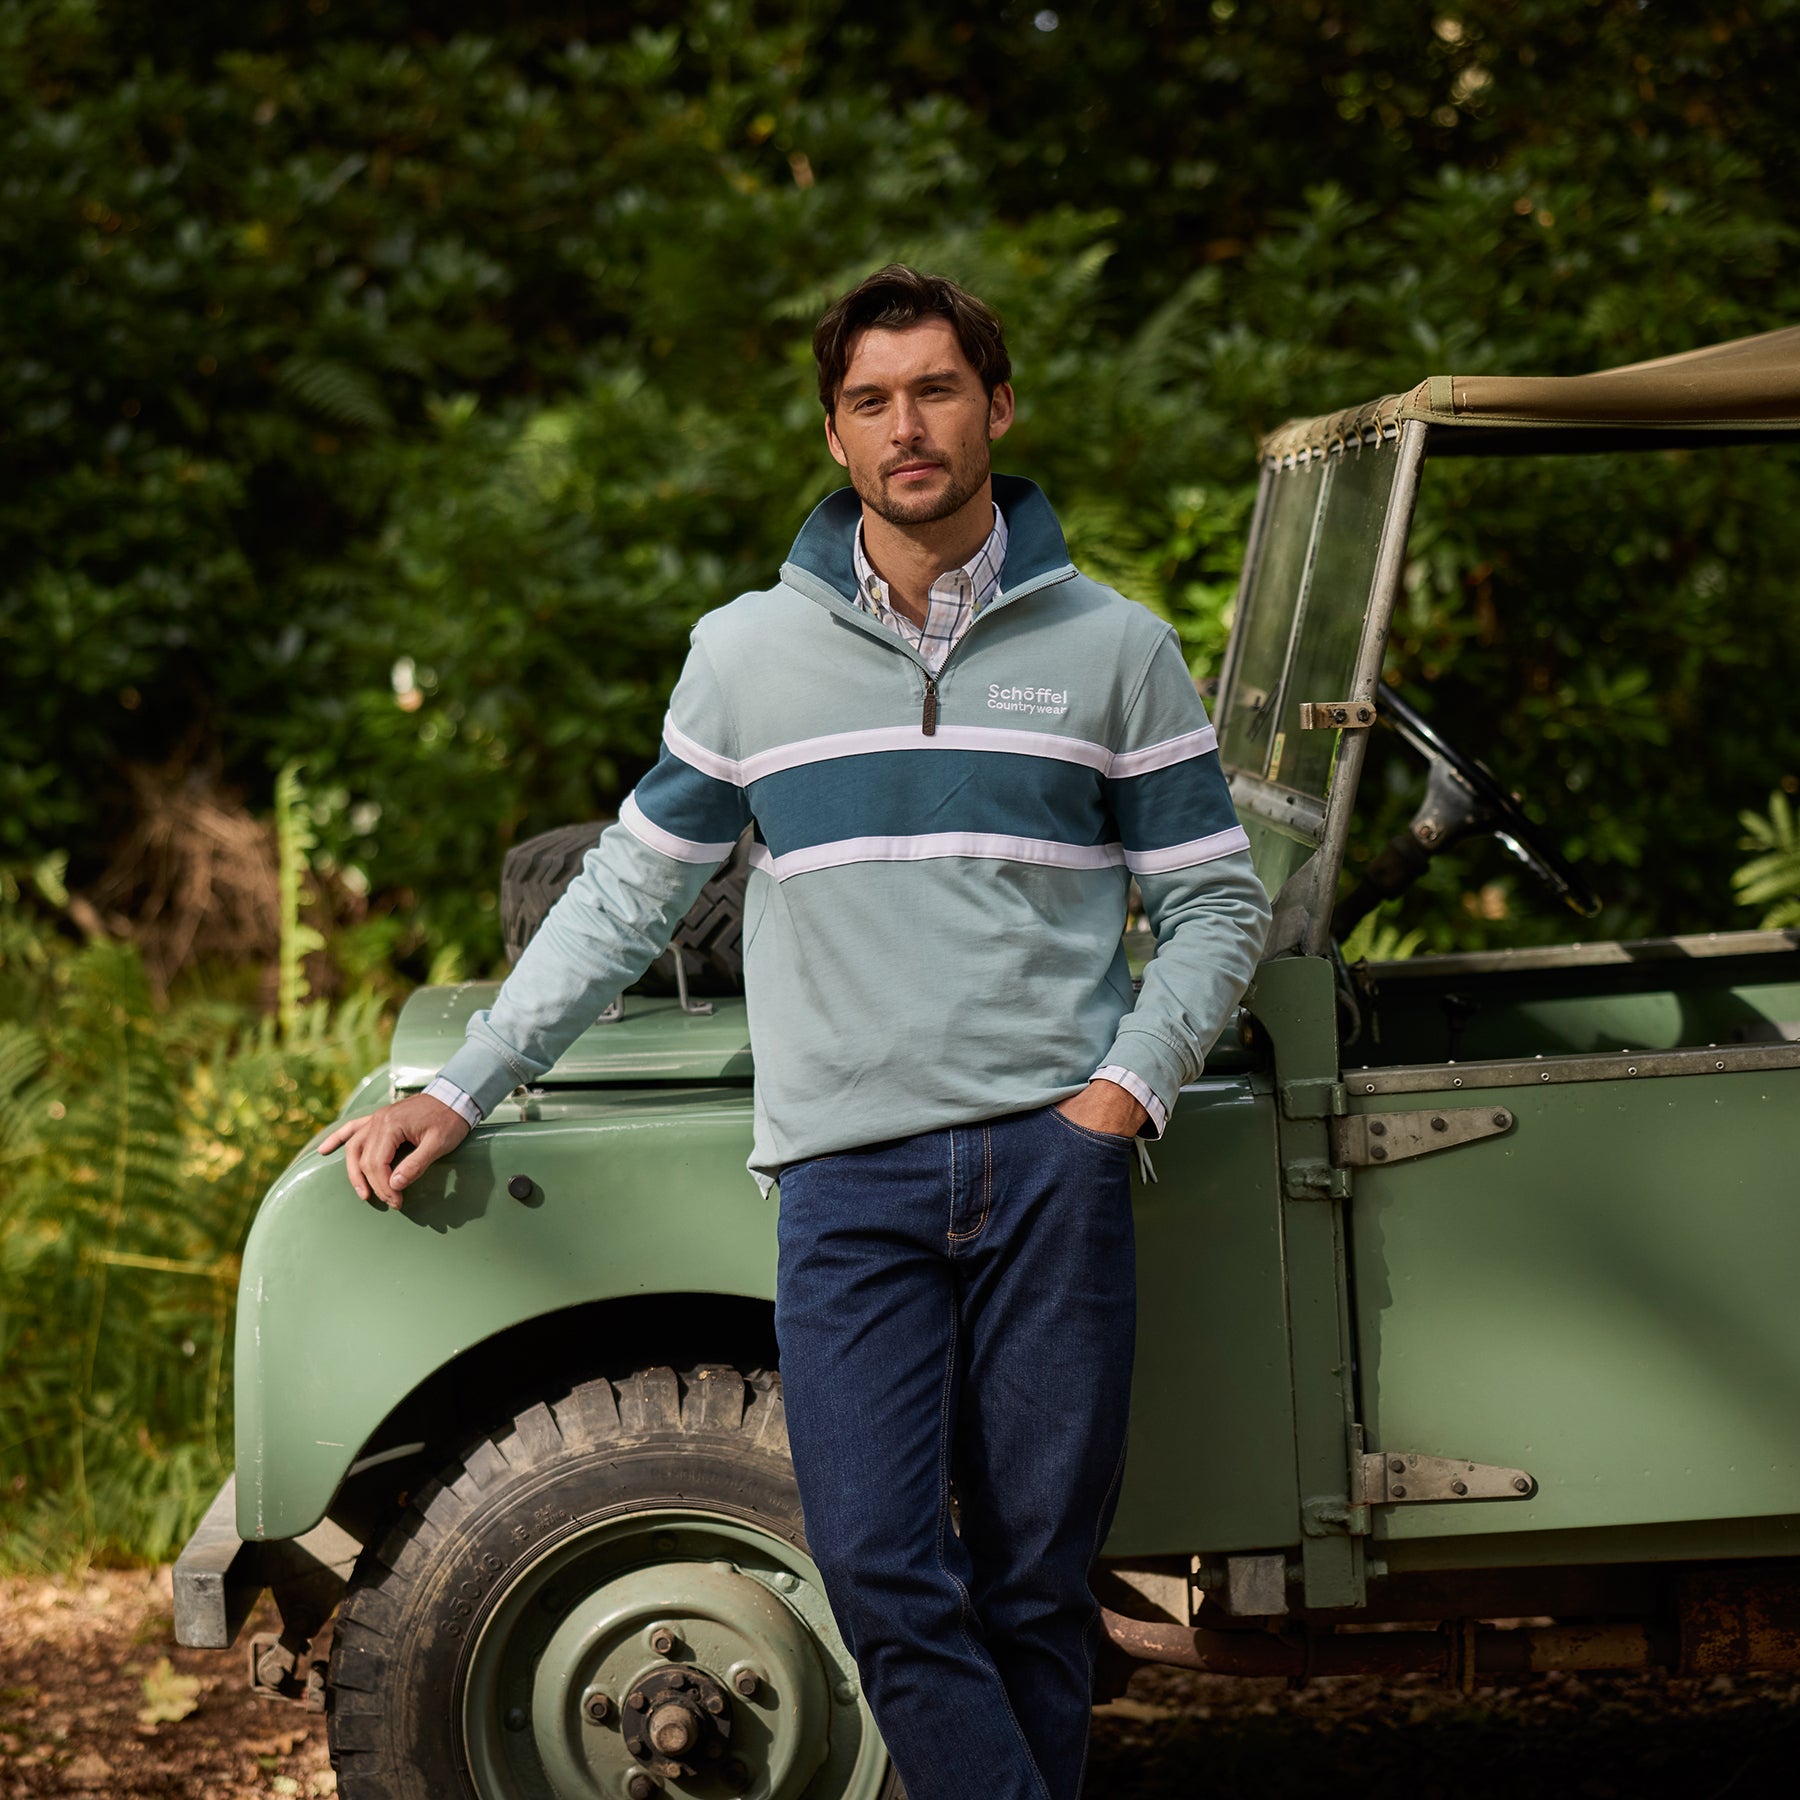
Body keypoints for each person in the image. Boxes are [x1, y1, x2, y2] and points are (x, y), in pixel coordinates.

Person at [320, 264, 1270, 1800]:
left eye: (938, 390)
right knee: (888, 1581)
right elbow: (629, 893)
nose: (910, 427)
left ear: (997, 408)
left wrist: (1121, 1097)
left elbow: (1217, 906)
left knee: (1038, 1591)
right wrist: (470, 1082)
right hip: (848, 1180)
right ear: (834, 436)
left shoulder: (1115, 649)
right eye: (873, 401)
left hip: (1052, 1164)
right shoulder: (748, 655)